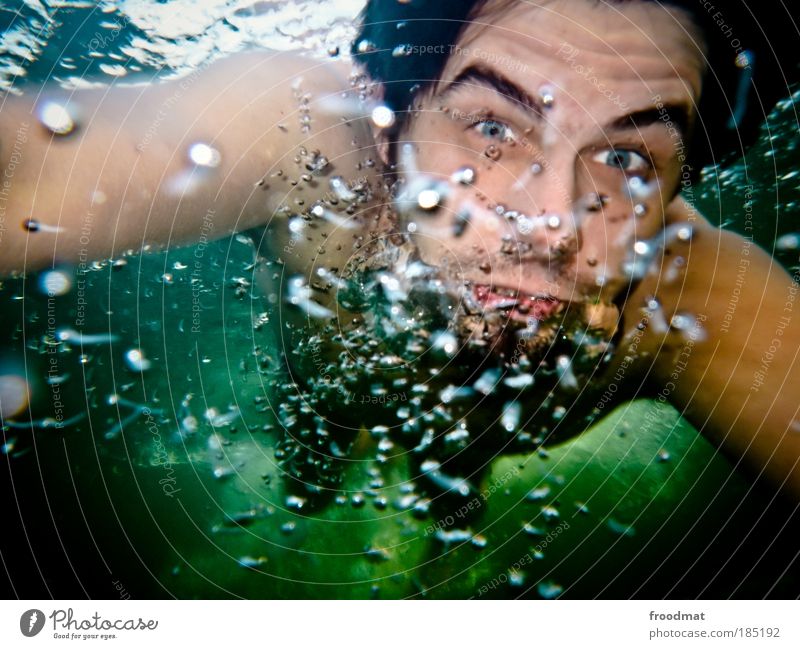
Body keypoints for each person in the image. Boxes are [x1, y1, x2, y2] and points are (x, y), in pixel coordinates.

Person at [1, 0, 798, 499]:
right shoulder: (306, 142)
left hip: (468, 444)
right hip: (321, 397)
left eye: (627, 159)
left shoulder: (687, 294)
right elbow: (29, 166)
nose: (553, 225)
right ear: (392, 119)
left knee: (456, 480)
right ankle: (326, 475)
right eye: (492, 128)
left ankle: (451, 490)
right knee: (309, 478)